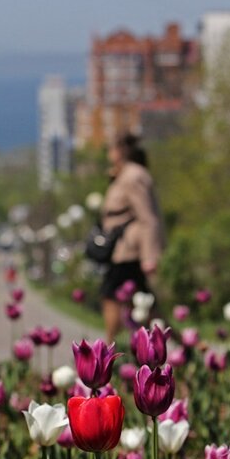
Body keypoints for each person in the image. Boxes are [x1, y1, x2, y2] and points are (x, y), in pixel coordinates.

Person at [100, 133, 164, 343]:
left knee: (113, 295)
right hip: (121, 249)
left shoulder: (134, 176)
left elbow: (148, 218)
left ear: (121, 150)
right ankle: (172, 341)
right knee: (144, 301)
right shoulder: (123, 174)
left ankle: (109, 348)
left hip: (129, 250)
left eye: (111, 148)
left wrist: (149, 257)